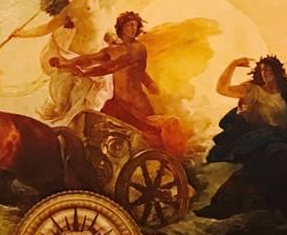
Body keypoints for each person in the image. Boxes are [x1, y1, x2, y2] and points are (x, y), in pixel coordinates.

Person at [51, 12, 190, 159]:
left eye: (135, 26)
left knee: (149, 142)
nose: (133, 29)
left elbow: (113, 66)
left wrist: (86, 72)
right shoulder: (112, 50)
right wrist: (65, 64)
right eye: (129, 25)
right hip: (118, 104)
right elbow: (90, 58)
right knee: (103, 136)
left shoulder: (138, 48)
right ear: (121, 27)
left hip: (136, 104)